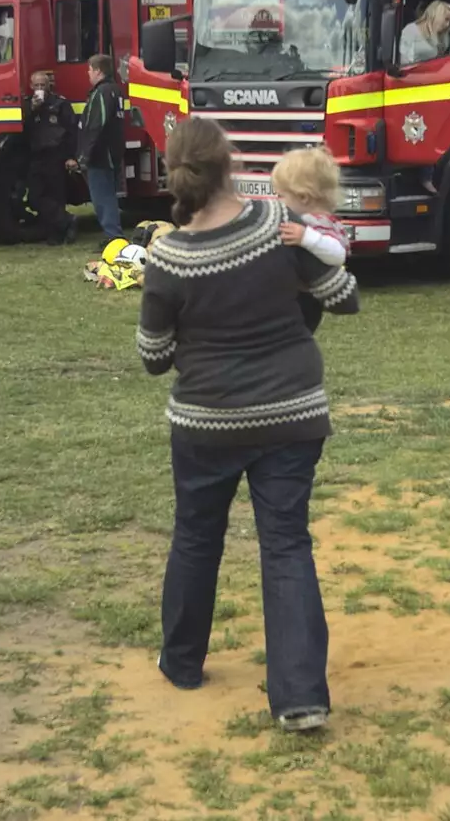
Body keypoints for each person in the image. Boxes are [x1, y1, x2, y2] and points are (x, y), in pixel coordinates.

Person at [136, 116, 359, 733]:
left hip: (205, 421)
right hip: (293, 413)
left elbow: (153, 358)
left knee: (196, 537)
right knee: (286, 544)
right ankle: (300, 696)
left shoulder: (168, 257)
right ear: (230, 163)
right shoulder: (280, 228)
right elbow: (343, 295)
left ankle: (182, 662)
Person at [271, 146, 347, 334]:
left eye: (280, 196)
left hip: (305, 300)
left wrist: (306, 237)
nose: (276, 201)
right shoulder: (303, 221)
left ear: (303, 197)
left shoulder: (318, 224)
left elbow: (338, 254)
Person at [22, 69, 78, 245]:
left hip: (57, 154)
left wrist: (71, 156)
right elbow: (23, 129)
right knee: (35, 197)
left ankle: (57, 234)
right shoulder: (27, 105)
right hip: (36, 156)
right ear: (31, 86)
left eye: (43, 85)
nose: (40, 88)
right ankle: (67, 220)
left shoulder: (60, 104)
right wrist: (32, 109)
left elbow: (72, 131)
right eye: (36, 85)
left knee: (57, 195)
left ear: (49, 86)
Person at [79, 53, 125, 243]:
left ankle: (113, 236)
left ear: (98, 71)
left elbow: (97, 125)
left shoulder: (102, 92)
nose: (88, 74)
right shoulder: (115, 89)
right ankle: (113, 234)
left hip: (101, 154)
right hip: (112, 151)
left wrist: (85, 155)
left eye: (89, 70)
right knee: (108, 195)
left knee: (102, 197)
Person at [400, 1, 450, 65]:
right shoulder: (411, 30)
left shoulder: (443, 36)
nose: (447, 25)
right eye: (446, 19)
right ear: (437, 16)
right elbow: (402, 57)